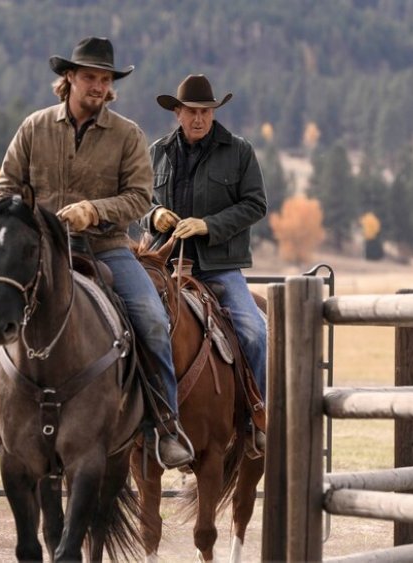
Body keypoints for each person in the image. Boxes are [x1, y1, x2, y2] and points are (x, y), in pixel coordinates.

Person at [0, 37, 194, 469]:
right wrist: (30, 223)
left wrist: (93, 211)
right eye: (90, 77)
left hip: (107, 247)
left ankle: (165, 423)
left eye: (105, 79)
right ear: (70, 78)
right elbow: (5, 190)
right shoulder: (34, 127)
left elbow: (139, 197)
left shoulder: (127, 135)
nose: (98, 86)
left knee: (152, 318)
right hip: (38, 252)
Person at [142, 74, 269, 453]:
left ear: (214, 113)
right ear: (177, 113)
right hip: (161, 264)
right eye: (192, 111)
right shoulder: (156, 153)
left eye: (206, 111)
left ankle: (257, 418)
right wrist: (155, 215)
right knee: (121, 326)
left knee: (253, 332)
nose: (199, 118)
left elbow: (255, 204)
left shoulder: (239, 151)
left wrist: (208, 225)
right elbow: (139, 200)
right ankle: (127, 421)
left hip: (217, 266)